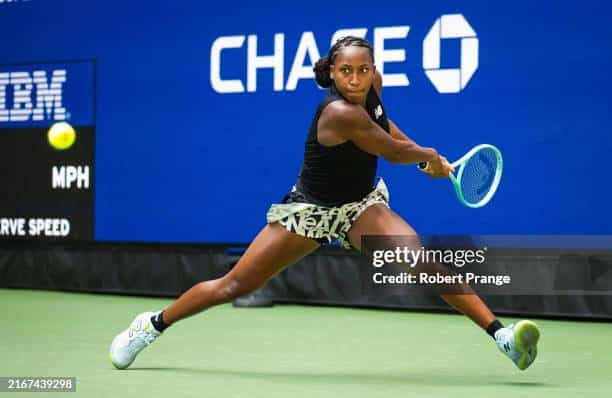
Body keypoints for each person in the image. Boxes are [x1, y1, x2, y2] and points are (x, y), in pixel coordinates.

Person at [109, 36, 539, 371]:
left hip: (359, 206)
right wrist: (428, 156)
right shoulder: (337, 114)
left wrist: (425, 156)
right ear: (332, 73)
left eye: (363, 70)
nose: (356, 78)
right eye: (346, 71)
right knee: (235, 286)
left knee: (417, 258)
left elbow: (388, 129)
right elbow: (389, 150)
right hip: (309, 211)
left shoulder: (371, 93)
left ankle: (503, 339)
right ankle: (151, 325)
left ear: (373, 71)